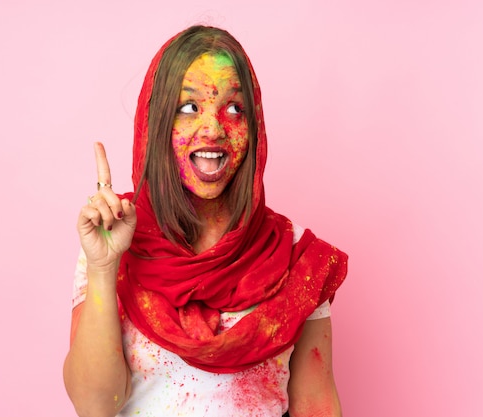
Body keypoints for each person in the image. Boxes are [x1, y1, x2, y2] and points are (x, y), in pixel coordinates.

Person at [63, 25, 348, 417]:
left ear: (255, 127)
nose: (213, 129)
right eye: (189, 108)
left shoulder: (296, 257)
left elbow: (316, 404)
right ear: (156, 123)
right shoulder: (114, 234)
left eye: (234, 109)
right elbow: (95, 407)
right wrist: (102, 267)